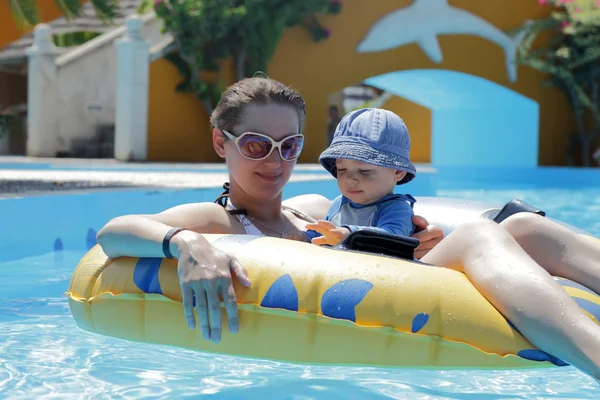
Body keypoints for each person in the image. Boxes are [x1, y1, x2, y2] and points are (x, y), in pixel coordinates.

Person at [96, 76, 600, 381]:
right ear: (220, 143)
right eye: (255, 145)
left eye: (288, 145)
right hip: (372, 297)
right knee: (479, 235)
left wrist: (416, 241)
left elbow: (379, 235)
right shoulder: (218, 220)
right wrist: (182, 243)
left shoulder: (310, 204)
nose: (274, 161)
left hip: (398, 274)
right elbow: (111, 233)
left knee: (526, 226)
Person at [302, 107, 418, 246]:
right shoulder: (339, 204)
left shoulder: (397, 209)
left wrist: (351, 235)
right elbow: (325, 232)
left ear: (398, 172)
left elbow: (391, 237)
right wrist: (306, 237)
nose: (350, 179)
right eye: (342, 169)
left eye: (364, 171)